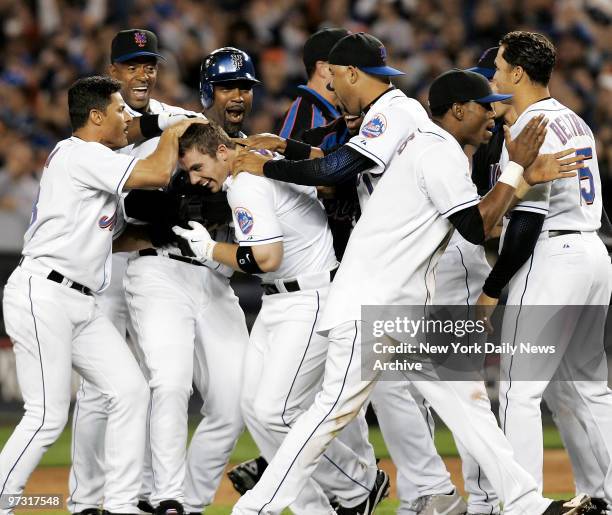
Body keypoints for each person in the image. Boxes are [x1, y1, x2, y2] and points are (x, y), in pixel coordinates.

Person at [212, 39, 589, 513]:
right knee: (328, 416)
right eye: (484, 107)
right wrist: (518, 171)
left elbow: (344, 173)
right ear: (455, 112)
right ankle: (254, 509)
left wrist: (521, 175)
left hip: (402, 304)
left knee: (464, 402)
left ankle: (525, 502)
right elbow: (474, 227)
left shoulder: (414, 134)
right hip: (376, 300)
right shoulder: (435, 148)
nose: (493, 116)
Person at [0, 75, 201, 515]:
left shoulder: (92, 159)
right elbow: (154, 171)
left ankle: (123, 504)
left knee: (130, 391)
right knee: (46, 416)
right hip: (44, 293)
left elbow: (119, 226)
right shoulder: (81, 154)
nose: (126, 116)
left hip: (80, 301)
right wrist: (171, 130)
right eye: (118, 110)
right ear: (95, 117)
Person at [173, 121, 388, 515]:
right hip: (281, 298)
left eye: (197, 167)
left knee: (276, 411)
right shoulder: (262, 163)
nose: (195, 178)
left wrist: (209, 250)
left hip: (309, 298)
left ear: (222, 152)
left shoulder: (246, 181)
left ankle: (360, 484)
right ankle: (316, 509)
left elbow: (265, 257)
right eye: (188, 172)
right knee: (253, 407)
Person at [66, 29, 208, 515]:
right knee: (99, 393)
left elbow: (208, 146)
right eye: (132, 65)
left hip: (155, 269)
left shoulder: (172, 116)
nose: (143, 72)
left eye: (149, 63)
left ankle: (144, 491)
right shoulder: (98, 124)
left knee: (152, 380)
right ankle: (86, 499)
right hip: (103, 267)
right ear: (113, 73)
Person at [477, 31, 612, 512]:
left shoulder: (531, 125)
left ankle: (523, 504)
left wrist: (492, 289)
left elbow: (528, 220)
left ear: (517, 73)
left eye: (497, 67)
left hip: (552, 254)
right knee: (584, 387)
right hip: (592, 251)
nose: (494, 76)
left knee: (517, 389)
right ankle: (604, 496)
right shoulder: (572, 118)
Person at [121, 46, 257, 515]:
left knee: (234, 401)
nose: (236, 95)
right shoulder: (179, 132)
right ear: (207, 91)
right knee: (171, 383)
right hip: (161, 271)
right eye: (226, 87)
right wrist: (190, 202)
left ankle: (190, 503)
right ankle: (164, 497)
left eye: (244, 87)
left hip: (215, 279)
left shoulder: (252, 150)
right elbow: (135, 206)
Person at [277, 28, 348, 141]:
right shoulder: (309, 123)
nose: (355, 70)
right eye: (348, 63)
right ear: (324, 69)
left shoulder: (329, 112)